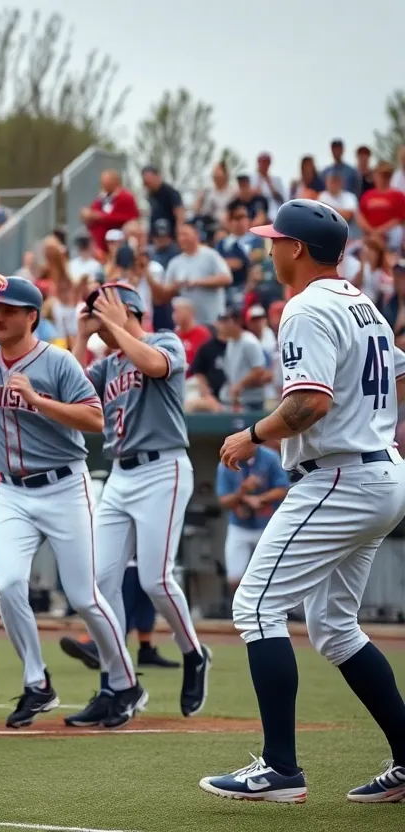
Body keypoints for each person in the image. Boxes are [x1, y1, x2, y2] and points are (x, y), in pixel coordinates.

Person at [201, 199, 405, 804]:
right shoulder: (365, 304)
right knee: (334, 628)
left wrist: (251, 435)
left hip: (339, 475)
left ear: (295, 248)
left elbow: (308, 404)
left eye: (274, 240)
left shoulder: (307, 306)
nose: (268, 249)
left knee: (256, 606)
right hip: (378, 471)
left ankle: (281, 769)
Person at [0, 274, 143, 729]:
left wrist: (38, 400)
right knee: (9, 585)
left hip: (63, 485)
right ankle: (37, 682)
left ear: (31, 316)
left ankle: (124, 684)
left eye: (7, 310)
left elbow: (95, 418)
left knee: (83, 596)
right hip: (12, 491)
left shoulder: (57, 361)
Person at [68, 283, 211, 724]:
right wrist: (80, 332)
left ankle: (193, 652)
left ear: (129, 311)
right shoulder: (107, 364)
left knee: (154, 580)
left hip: (162, 467)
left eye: (105, 308)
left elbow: (151, 363)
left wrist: (113, 321)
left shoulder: (162, 339)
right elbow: (71, 387)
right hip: (120, 473)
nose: (98, 318)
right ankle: (118, 685)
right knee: (96, 584)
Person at [215, 443, 289, 594]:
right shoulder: (227, 462)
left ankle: (270, 612)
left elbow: (283, 488)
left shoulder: (270, 457)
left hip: (267, 524)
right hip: (240, 525)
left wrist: (260, 499)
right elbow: (223, 500)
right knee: (234, 577)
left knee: (273, 574)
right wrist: (243, 492)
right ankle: (237, 613)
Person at [164, 223, 232, 325]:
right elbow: (166, 290)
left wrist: (198, 282)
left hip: (213, 320)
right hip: (189, 325)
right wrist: (176, 285)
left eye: (185, 234)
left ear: (196, 235)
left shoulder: (210, 255)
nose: (181, 238)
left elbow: (227, 278)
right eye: (179, 235)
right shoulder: (175, 262)